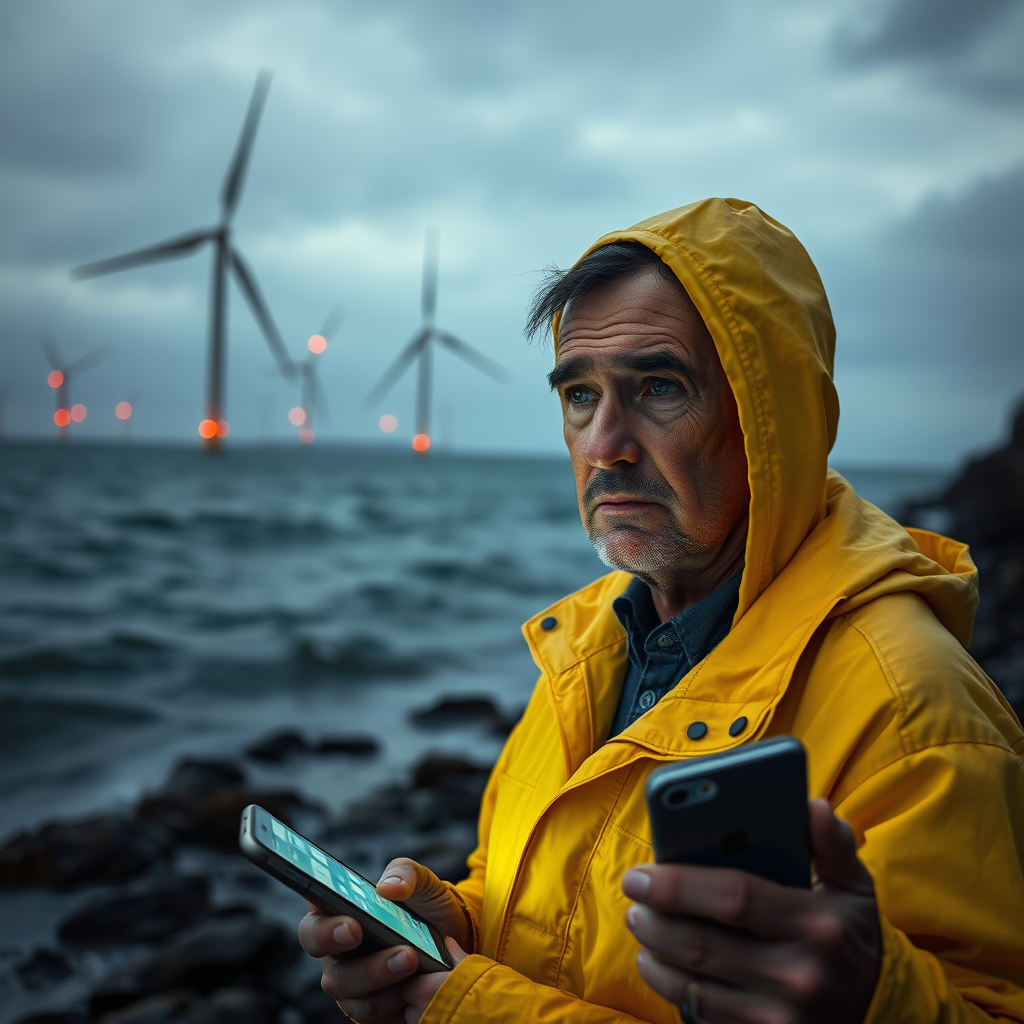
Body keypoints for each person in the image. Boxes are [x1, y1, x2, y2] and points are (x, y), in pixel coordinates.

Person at [299, 199, 1024, 1023]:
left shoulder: (913, 708)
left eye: (658, 387)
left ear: (771, 419)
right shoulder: (587, 647)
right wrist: (452, 927)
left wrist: (876, 1002)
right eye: (580, 394)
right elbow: (572, 917)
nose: (605, 443)